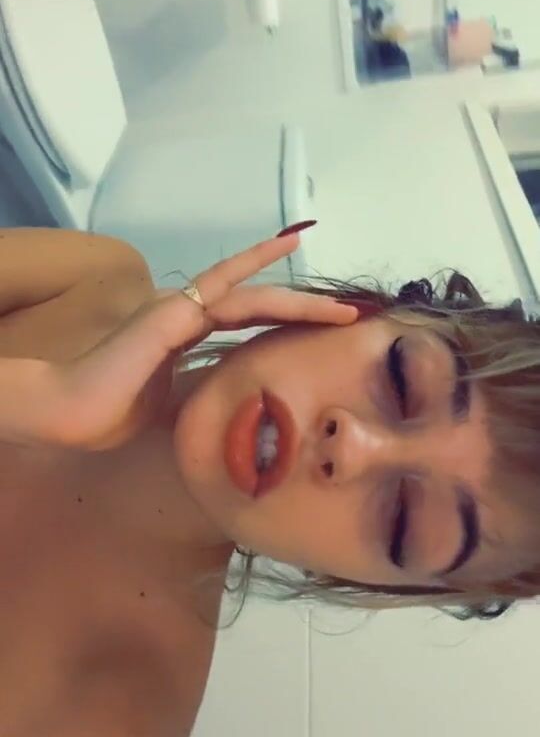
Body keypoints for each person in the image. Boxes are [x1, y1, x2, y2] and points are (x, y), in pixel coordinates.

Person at [0, 225, 539, 736]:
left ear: (363, 579)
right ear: (361, 309)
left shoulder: (112, 710)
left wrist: (45, 407)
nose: (351, 447)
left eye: (405, 522)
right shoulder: (94, 276)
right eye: (402, 380)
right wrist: (43, 394)